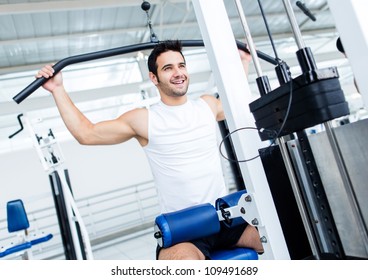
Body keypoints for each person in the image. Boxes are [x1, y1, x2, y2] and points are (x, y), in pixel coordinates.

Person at [36, 40, 263, 260]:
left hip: (224, 219)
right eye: (168, 68)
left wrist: (244, 62)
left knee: (282, 229)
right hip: (185, 230)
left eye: (181, 65)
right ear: (154, 77)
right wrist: (57, 89)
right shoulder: (144, 119)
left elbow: (237, 102)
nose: (178, 72)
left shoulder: (207, 106)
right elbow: (87, 134)